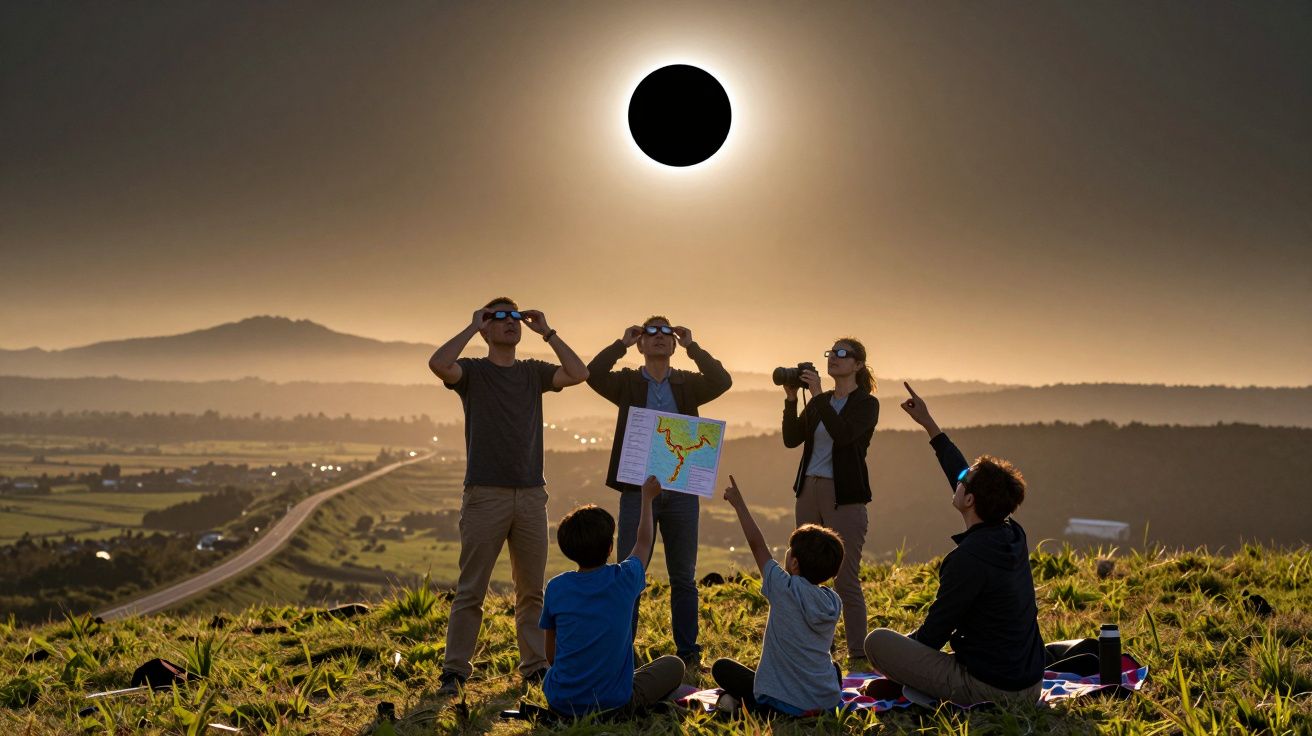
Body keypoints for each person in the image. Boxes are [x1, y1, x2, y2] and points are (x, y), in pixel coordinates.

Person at [427, 297, 590, 695]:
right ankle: (455, 670)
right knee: (471, 590)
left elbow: (579, 372)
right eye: (498, 318)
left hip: (532, 494)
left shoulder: (533, 372)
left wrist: (547, 332)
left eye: (514, 317)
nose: (509, 323)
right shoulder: (474, 372)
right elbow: (438, 364)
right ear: (486, 328)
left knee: (531, 590)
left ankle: (535, 666)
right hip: (485, 493)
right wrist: (471, 325)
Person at [862, 381, 1044, 706]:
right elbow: (960, 473)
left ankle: (915, 687)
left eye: (964, 482)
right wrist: (929, 424)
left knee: (877, 643)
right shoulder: (1012, 533)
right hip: (1030, 683)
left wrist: (902, 660)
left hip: (992, 689)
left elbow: (933, 635)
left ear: (970, 499)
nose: (958, 479)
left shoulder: (967, 559)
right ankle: (915, 684)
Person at [586, 316, 732, 669]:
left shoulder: (687, 383)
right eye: (650, 333)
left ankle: (688, 652)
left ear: (673, 343)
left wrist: (693, 346)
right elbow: (592, 373)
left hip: (682, 489)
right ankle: (623, 650)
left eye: (666, 333)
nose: (660, 338)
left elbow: (722, 380)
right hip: (638, 488)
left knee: (683, 575)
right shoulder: (626, 383)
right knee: (630, 572)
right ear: (640, 343)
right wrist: (620, 343)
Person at [539, 476, 686, 715]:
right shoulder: (625, 578)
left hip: (561, 702)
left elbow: (552, 656)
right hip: (613, 703)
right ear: (610, 548)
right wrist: (647, 499)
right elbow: (644, 542)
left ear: (568, 549)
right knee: (674, 665)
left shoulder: (556, 587)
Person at [710, 476, 845, 715]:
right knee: (833, 668)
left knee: (721, 668)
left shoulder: (784, 588)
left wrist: (739, 504)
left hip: (784, 699)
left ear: (794, 563)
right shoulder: (833, 602)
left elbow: (757, 544)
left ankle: (755, 708)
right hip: (826, 700)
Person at [781, 337, 879, 662]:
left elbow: (844, 435)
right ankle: (809, 649)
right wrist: (793, 399)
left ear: (858, 364)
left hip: (844, 496)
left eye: (842, 354)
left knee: (845, 577)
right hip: (808, 489)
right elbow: (792, 439)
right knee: (802, 570)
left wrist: (819, 395)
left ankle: (857, 655)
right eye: (831, 353)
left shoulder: (866, 404)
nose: (834, 358)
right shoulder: (819, 401)